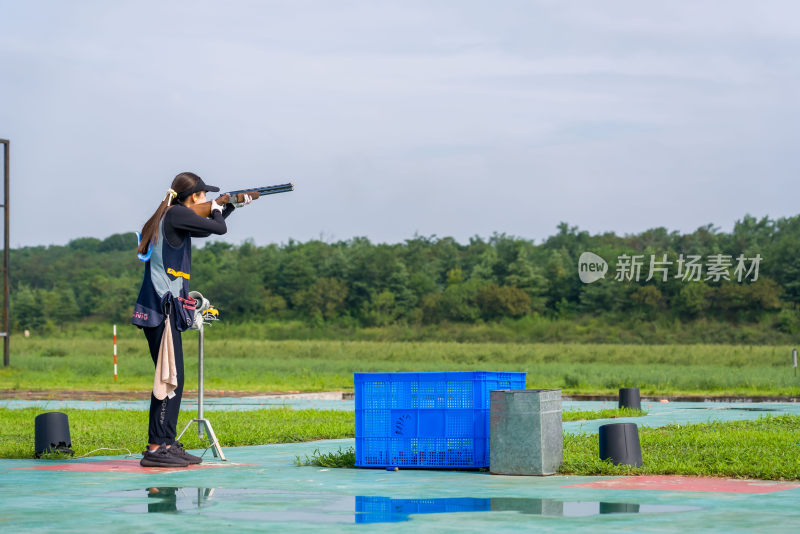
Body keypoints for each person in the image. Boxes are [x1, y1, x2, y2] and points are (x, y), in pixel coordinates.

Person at [131, 172, 250, 467]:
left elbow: (209, 228)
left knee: (173, 378)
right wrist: (221, 207)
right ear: (194, 197)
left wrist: (230, 206)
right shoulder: (175, 216)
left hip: (162, 309)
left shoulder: (174, 216)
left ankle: (166, 443)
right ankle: (157, 448)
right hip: (162, 308)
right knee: (168, 378)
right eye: (204, 196)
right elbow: (218, 228)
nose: (206, 199)